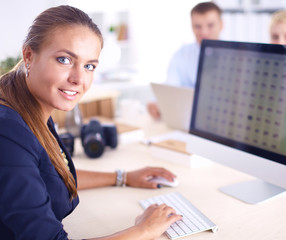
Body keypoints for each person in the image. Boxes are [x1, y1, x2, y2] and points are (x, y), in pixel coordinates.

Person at [0, 5, 181, 239]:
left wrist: (122, 177)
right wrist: (144, 230)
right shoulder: (8, 133)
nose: (79, 79)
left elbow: (47, 175)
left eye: (89, 66)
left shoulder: (30, 108)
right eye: (64, 59)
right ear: (28, 56)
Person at [147, 1, 223, 119]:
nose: (204, 32)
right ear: (191, 26)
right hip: (188, 118)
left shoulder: (238, 56)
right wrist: (156, 103)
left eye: (210, 25)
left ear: (221, 25)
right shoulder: (181, 54)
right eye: (197, 26)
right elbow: (170, 87)